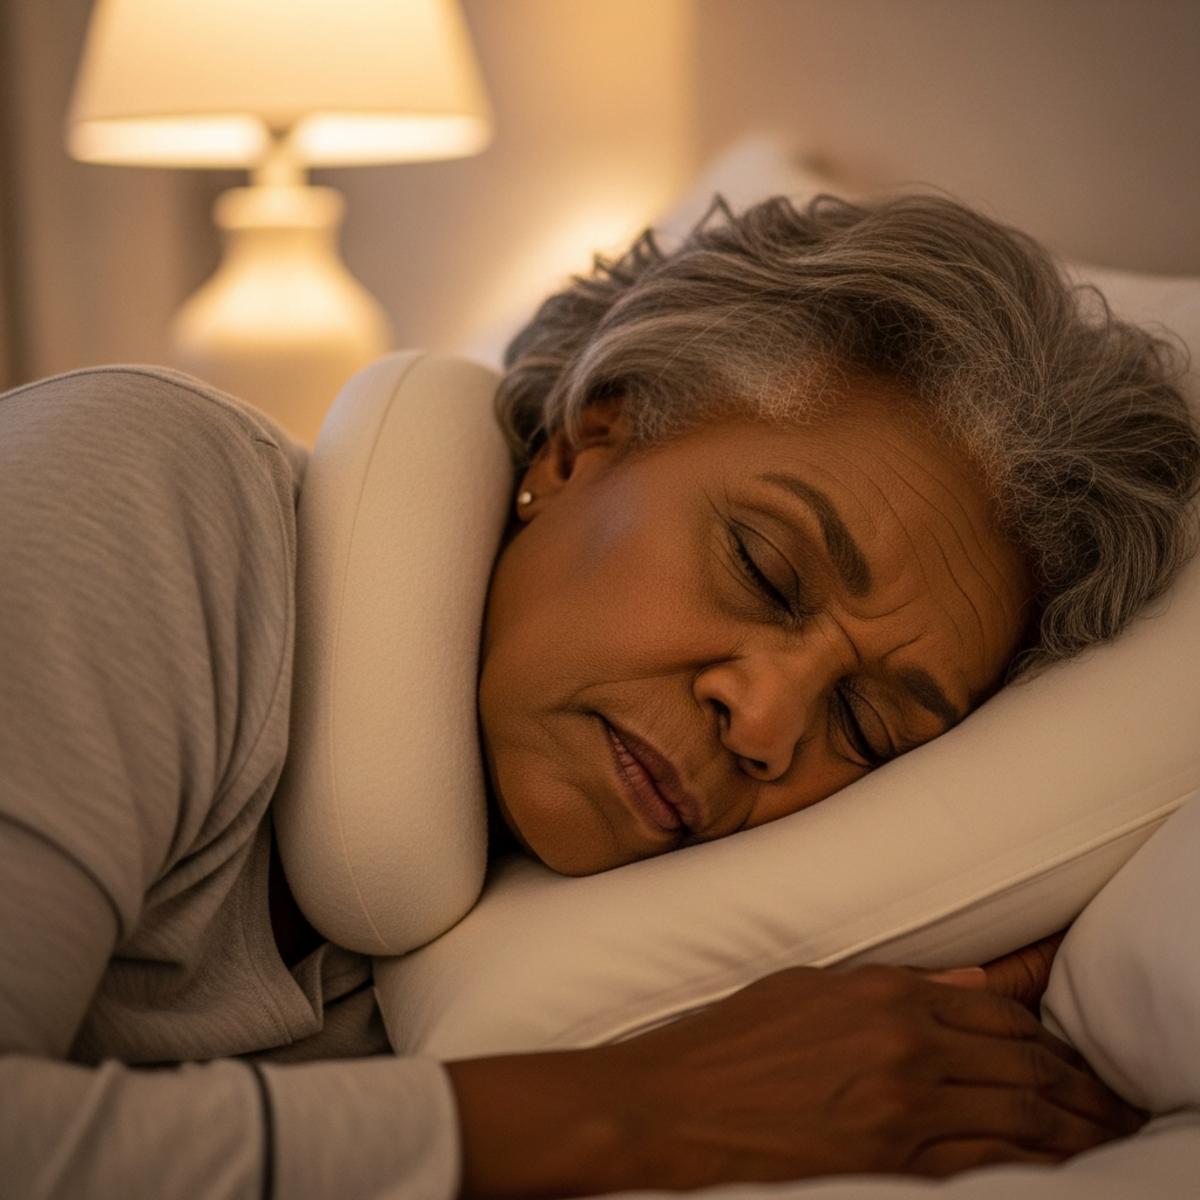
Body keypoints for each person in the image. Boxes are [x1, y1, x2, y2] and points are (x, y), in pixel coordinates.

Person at [2, 193, 1197, 1200]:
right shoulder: (147, 497)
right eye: (767, 570)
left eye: (867, 726)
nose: (772, 725)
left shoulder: (502, 937)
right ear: (589, 438)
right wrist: (637, 1111)